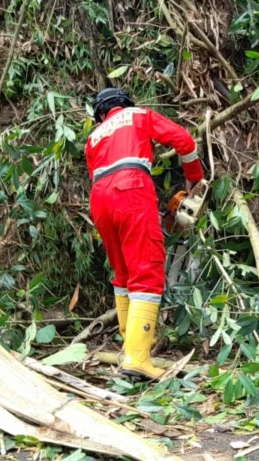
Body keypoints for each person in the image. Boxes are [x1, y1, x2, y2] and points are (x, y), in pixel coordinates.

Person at [85, 87, 204, 380]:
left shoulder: (94, 137)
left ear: (100, 113)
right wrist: (195, 179)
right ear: (124, 103)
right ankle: (138, 358)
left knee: (123, 272)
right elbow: (185, 141)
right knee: (147, 271)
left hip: (99, 197)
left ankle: (131, 345)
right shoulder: (137, 114)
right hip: (132, 187)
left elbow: (99, 174)